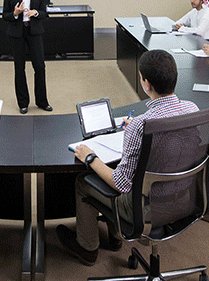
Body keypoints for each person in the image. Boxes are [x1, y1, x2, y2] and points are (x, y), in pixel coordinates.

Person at [57, 49, 198, 266]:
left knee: (84, 181)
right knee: (122, 169)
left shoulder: (140, 125)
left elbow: (121, 183)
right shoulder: (192, 109)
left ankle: (87, 248)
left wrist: (91, 157)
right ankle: (114, 238)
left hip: (147, 208)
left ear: (146, 84)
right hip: (185, 199)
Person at [3, 0, 50, 114]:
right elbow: (5, 15)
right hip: (17, 33)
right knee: (19, 68)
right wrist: (15, 13)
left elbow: (44, 12)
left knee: (40, 67)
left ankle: (42, 101)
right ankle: (23, 103)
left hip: (34, 31)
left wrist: (35, 13)